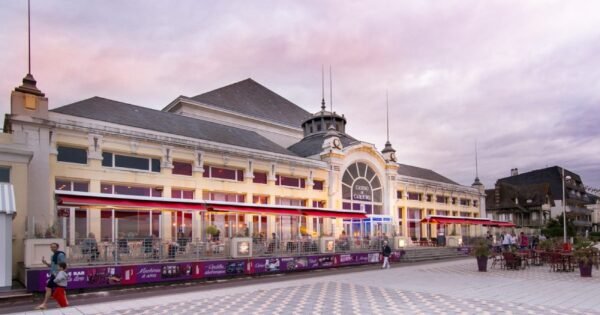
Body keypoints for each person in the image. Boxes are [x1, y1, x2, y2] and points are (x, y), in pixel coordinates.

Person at [36, 243, 66, 310]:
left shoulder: (60, 255)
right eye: (51, 247)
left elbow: (64, 265)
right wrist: (45, 263)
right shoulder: (53, 256)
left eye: (54, 247)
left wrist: (60, 274)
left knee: (48, 288)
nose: (53, 248)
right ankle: (63, 302)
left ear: (57, 247)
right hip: (53, 274)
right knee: (59, 289)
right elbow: (52, 266)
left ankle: (44, 304)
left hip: (57, 275)